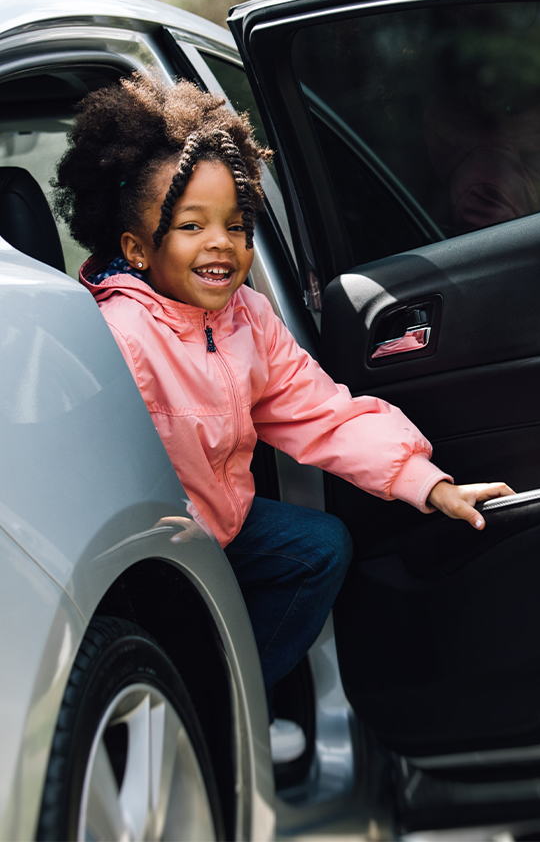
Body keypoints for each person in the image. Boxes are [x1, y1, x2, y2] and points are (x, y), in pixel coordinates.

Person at [53, 72, 511, 765]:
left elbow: (319, 410)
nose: (222, 245)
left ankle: (229, 710)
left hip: (222, 522)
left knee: (317, 547)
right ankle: (184, 719)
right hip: (150, 549)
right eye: (191, 226)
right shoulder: (117, 334)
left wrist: (427, 481)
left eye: (237, 226)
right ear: (138, 248)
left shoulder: (247, 320)